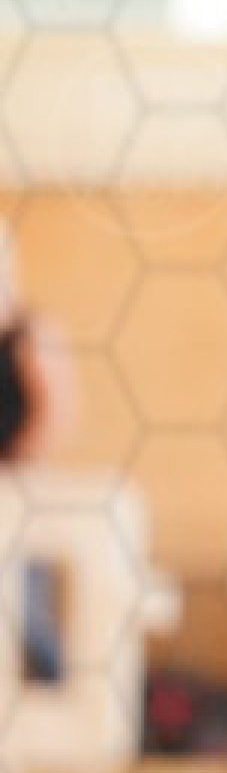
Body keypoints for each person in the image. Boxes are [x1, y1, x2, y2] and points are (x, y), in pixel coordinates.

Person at [0, 222, 75, 682]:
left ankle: (49, 677)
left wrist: (15, 468)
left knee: (28, 613)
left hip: (22, 484)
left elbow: (56, 419)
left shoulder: (33, 336)